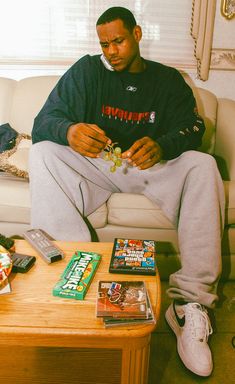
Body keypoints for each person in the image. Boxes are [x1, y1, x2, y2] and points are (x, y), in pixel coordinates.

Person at [29, 6, 225, 377]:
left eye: (118, 41)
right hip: (100, 168)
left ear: (137, 35)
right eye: (105, 45)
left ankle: (189, 307)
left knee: (203, 165)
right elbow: (44, 122)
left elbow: (193, 129)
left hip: (152, 170)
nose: (111, 52)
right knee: (42, 151)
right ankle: (71, 273)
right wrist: (69, 132)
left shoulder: (167, 79)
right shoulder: (87, 71)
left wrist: (164, 145)